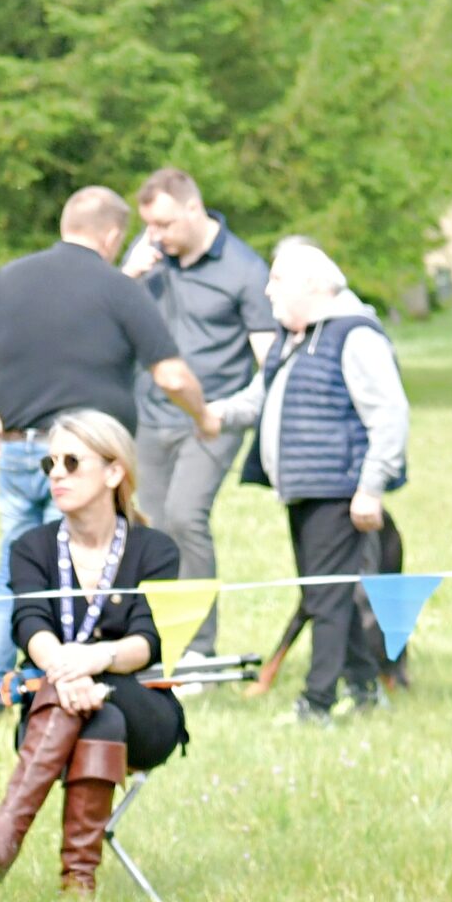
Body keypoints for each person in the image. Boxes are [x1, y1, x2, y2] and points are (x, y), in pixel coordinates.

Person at [0, 188, 214, 718]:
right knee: (81, 569)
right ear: (112, 235)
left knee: (15, 569)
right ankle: (71, 677)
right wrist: (204, 418)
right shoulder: (118, 288)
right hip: (86, 462)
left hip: (21, 454)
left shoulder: (10, 278)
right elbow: (172, 375)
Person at [0, 410, 185, 894]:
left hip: (142, 705)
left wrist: (95, 660)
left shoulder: (156, 549)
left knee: (103, 707)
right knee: (99, 719)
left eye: (71, 462)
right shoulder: (30, 547)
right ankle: (79, 881)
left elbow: (149, 640)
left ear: (114, 472)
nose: (56, 474)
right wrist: (69, 672)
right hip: (58, 702)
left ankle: (6, 830)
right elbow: (29, 625)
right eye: (50, 464)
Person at [224, 238, 409, 725]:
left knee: (325, 596)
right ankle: (364, 689)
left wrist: (370, 488)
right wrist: (205, 414)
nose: (267, 290)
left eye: (277, 280)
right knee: (327, 592)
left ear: (312, 285)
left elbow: (389, 415)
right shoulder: (293, 339)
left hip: (339, 489)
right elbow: (257, 399)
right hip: (304, 487)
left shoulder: (355, 336)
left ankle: (317, 703)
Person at [121, 168, 279, 659]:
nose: (155, 235)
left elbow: (270, 361)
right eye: (149, 225)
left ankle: (199, 648)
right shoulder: (148, 263)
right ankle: (154, 639)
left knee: (186, 517)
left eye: (165, 224)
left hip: (210, 420)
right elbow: (105, 316)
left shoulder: (245, 269)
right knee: (150, 526)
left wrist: (236, 413)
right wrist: (128, 276)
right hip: (149, 416)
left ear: (194, 208)